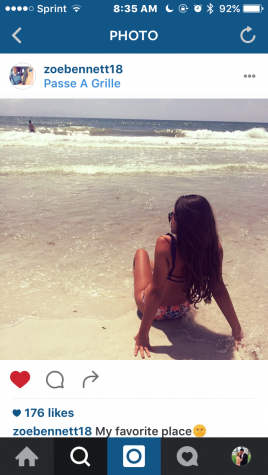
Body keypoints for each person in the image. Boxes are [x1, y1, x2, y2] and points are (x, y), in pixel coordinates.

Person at [133, 194, 243, 358]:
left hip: (155, 311)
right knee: (158, 266)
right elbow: (218, 288)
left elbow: (155, 293)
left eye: (173, 216)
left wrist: (143, 335)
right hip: (181, 309)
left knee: (141, 254)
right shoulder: (214, 247)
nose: (171, 220)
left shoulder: (165, 242)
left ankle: (157, 268)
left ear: (182, 222)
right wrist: (236, 329)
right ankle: (158, 268)